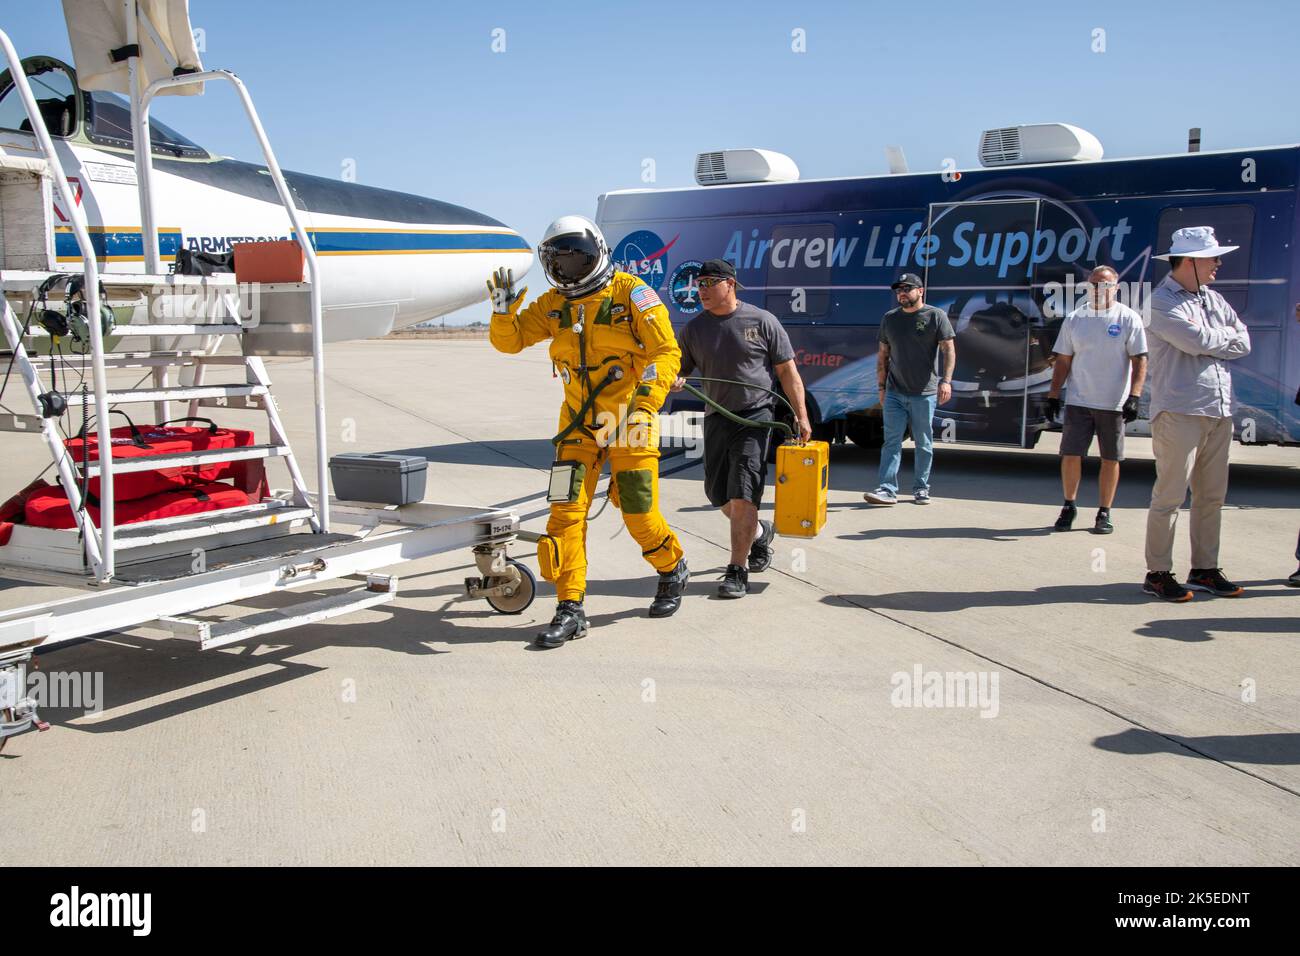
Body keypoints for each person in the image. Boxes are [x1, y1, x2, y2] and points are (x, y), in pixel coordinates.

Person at [486, 215, 689, 647]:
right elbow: (510, 341)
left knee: (638, 513)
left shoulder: (632, 294)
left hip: (630, 423)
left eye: (576, 258)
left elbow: (666, 351)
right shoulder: (553, 304)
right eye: (559, 261)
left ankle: (672, 568)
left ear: (597, 252)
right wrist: (503, 313)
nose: (568, 268)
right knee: (564, 514)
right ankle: (570, 608)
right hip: (577, 429)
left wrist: (646, 402)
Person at [670, 259, 811, 599]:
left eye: (709, 283)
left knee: (743, 493)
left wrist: (802, 416)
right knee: (718, 496)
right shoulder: (694, 330)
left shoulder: (762, 321)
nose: (701, 290)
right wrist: (675, 378)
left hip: (755, 418)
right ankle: (760, 533)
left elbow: (788, 372)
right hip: (717, 417)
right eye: (699, 284)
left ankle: (737, 569)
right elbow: (680, 369)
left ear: (730, 284)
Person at [1142, 226, 1251, 602]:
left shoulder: (1214, 299)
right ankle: (1157, 573)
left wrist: (1211, 340)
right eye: (1212, 258)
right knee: (1170, 496)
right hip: (1180, 410)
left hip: (1218, 409)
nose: (1218, 263)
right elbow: (1196, 340)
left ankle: (1204, 569)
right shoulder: (1159, 302)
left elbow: (1244, 340)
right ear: (1189, 261)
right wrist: (1217, 339)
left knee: (1212, 496)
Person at [1046, 265, 1148, 534]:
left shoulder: (1128, 318)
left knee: (1110, 458)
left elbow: (1140, 360)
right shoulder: (1075, 319)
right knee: (1070, 455)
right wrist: (1053, 395)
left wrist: (1135, 396)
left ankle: (1104, 512)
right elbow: (1063, 360)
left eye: (1104, 285)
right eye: (1093, 284)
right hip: (1078, 400)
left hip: (1113, 403)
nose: (1097, 289)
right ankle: (1068, 506)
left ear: (1116, 288)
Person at [863, 273, 955, 505]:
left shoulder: (935, 316)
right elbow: (883, 355)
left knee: (923, 443)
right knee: (891, 442)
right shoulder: (890, 319)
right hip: (894, 392)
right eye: (899, 290)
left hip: (924, 393)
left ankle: (921, 489)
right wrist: (882, 388)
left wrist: (946, 381)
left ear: (920, 291)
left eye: (907, 289)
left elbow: (949, 350)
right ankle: (887, 490)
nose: (902, 293)